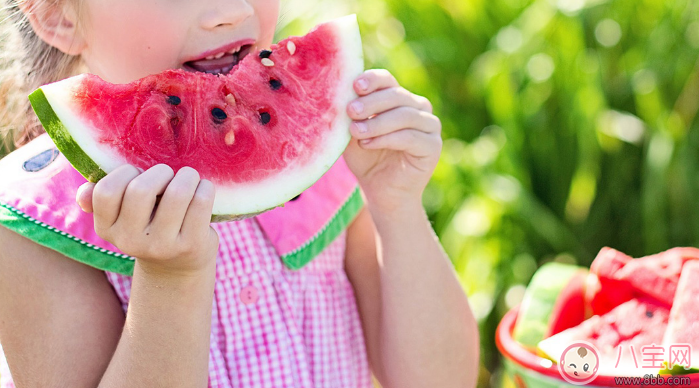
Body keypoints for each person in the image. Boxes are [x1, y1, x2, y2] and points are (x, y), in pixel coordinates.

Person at [0, 0, 479, 387]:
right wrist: (169, 280)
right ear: (57, 16)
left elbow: (440, 379)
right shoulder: (35, 224)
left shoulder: (325, 161)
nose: (230, 10)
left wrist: (397, 206)